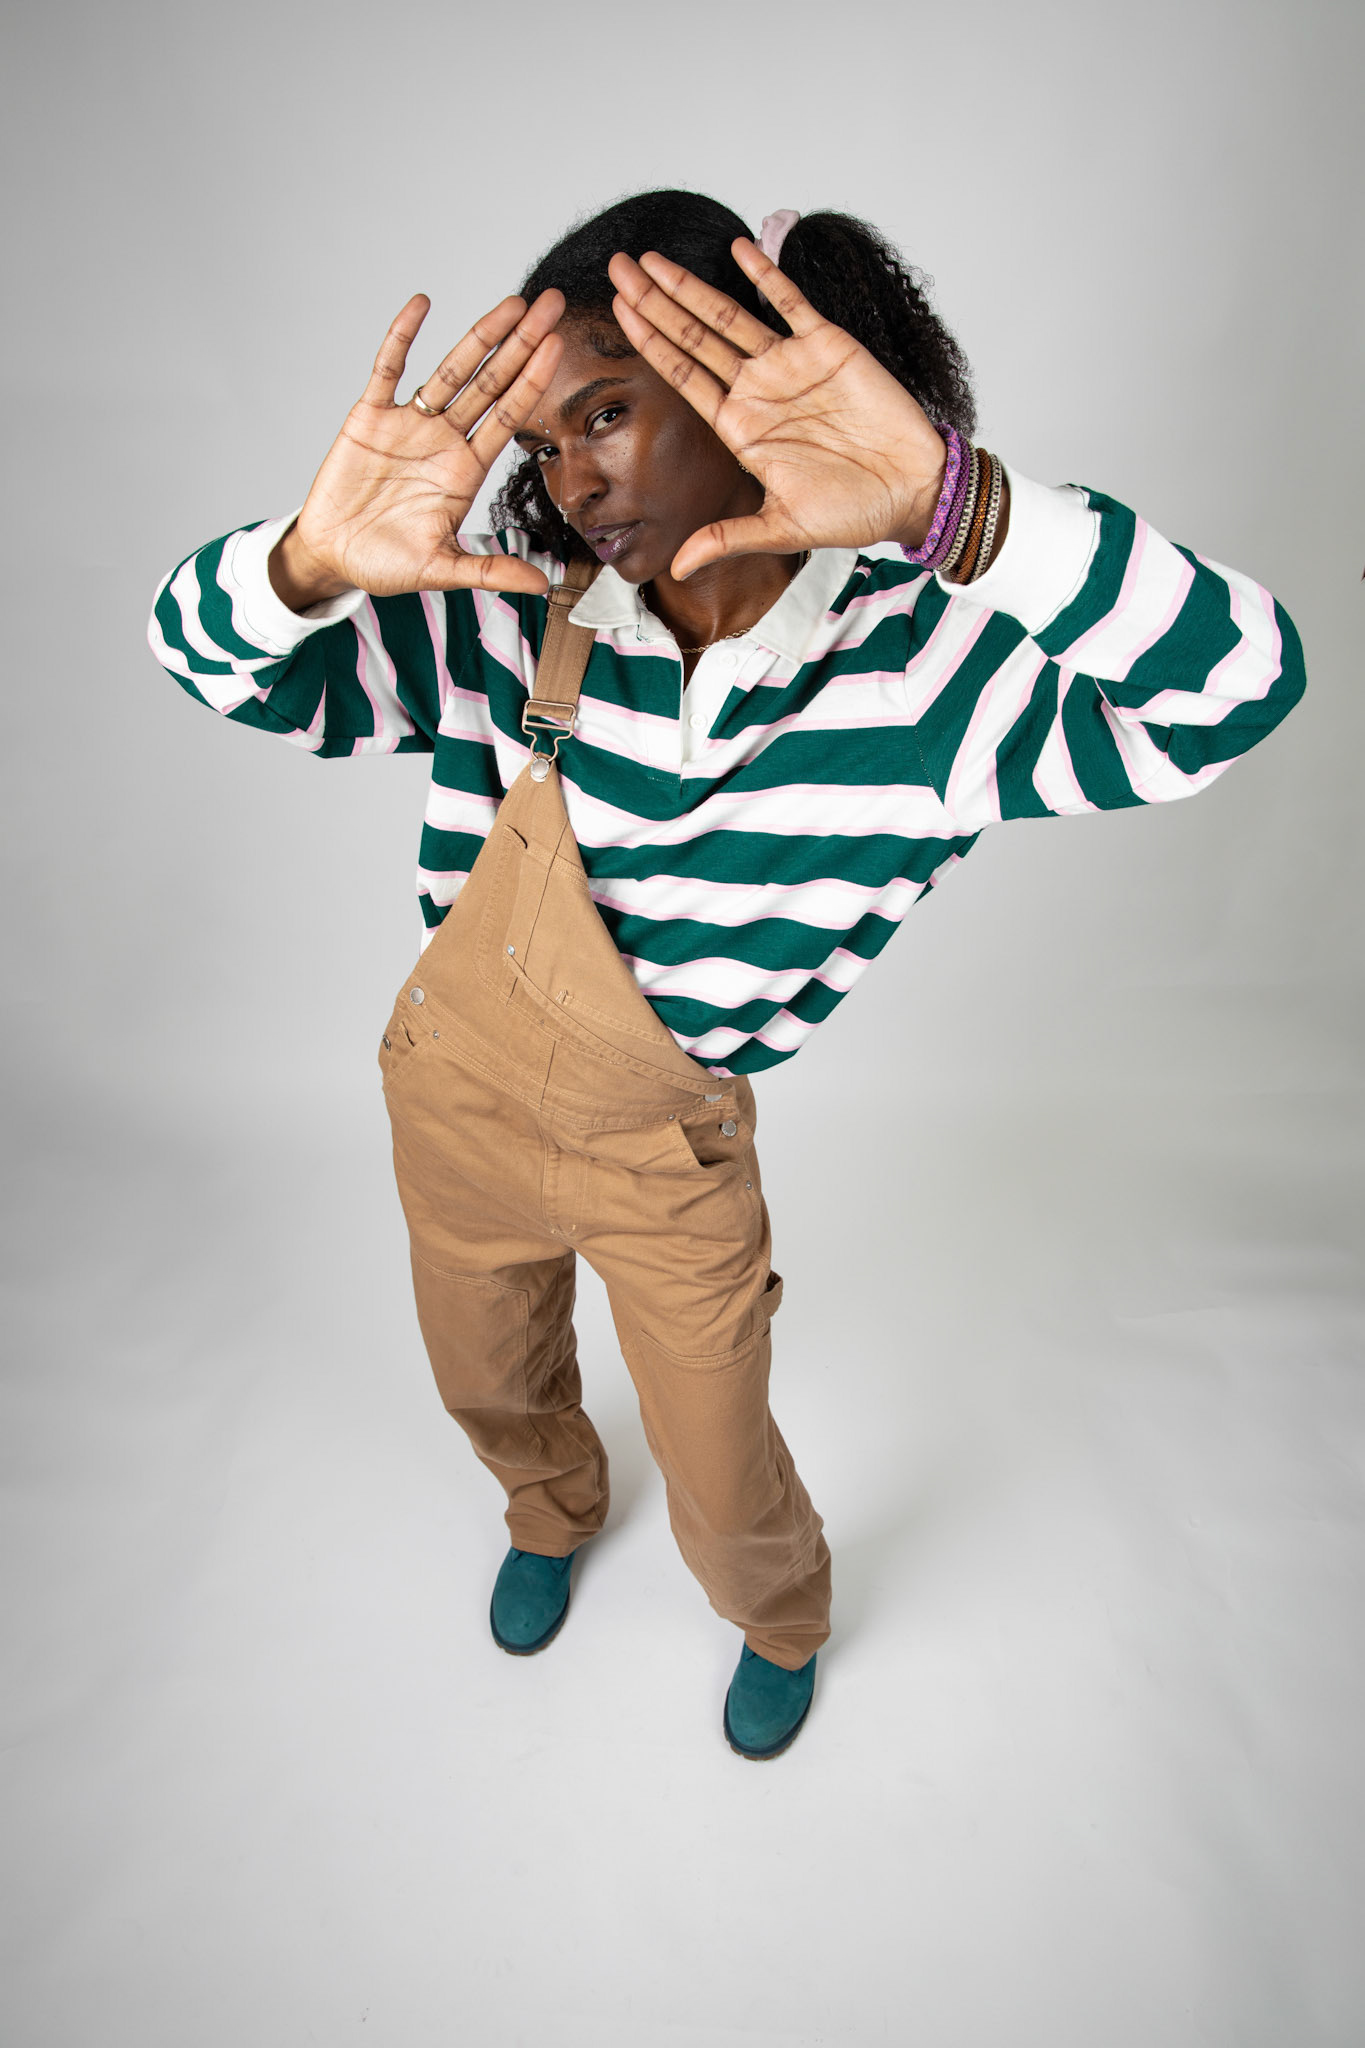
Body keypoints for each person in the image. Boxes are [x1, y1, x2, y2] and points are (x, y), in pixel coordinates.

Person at [147, 189, 1304, 1762]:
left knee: (717, 1455)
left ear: (741, 380)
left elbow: (1236, 689)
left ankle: (779, 1617)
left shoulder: (925, 671)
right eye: (544, 441)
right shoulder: (514, 620)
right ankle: (548, 1509)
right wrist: (299, 564)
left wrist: (958, 510)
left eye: (605, 412)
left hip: (665, 1157)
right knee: (487, 1375)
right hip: (452, 1107)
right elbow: (218, 671)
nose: (571, 477)